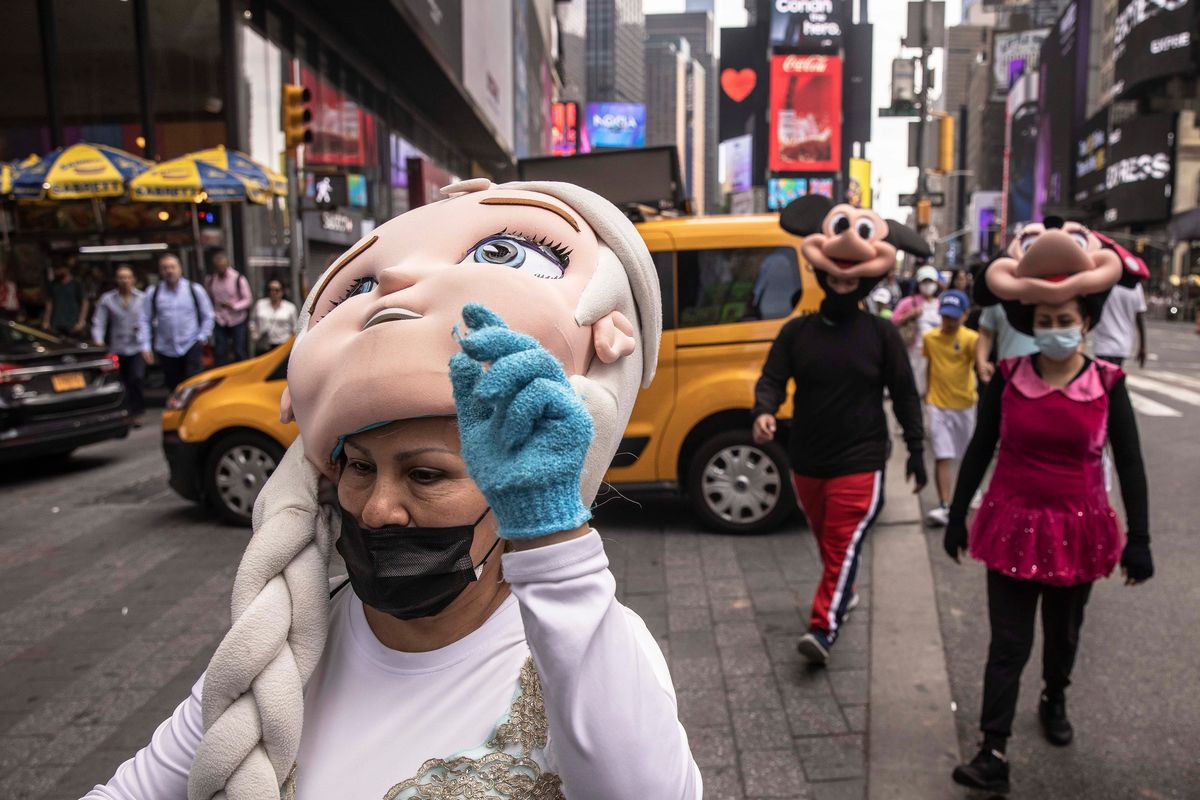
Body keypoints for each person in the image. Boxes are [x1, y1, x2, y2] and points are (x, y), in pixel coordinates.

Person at [86, 179, 701, 800]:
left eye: (426, 474)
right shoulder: (284, 647)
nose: (378, 509)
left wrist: (553, 534)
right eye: (357, 466)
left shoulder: (589, 651)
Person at [944, 219, 1152, 794]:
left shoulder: (1108, 383)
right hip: (1011, 522)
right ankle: (993, 750)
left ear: (1085, 323)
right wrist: (958, 513)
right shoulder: (1008, 377)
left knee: (1063, 635)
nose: (1056, 329)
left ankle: (1054, 695)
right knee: (1007, 642)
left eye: (1066, 321)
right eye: (1045, 322)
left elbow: (1129, 464)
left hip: (1079, 528)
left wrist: (1141, 539)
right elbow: (981, 447)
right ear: (1031, 326)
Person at [755, 196, 930, 665]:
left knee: (842, 542)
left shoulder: (882, 334)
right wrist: (764, 409)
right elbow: (772, 377)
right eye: (835, 273)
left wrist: (916, 451)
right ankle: (843, 592)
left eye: (853, 275)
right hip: (806, 461)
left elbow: (907, 395)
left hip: (862, 460)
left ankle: (822, 628)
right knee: (831, 544)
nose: (843, 278)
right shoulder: (797, 332)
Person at [921, 289, 978, 526]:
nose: (949, 321)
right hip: (938, 404)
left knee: (968, 456)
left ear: (965, 315)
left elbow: (980, 361)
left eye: (954, 316)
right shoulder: (930, 338)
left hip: (965, 404)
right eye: (945, 316)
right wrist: (925, 395)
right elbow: (927, 366)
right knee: (942, 455)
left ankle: (971, 492)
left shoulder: (971, 339)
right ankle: (945, 504)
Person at [139, 253, 214, 391]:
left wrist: (203, 336)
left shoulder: (194, 289)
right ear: (161, 271)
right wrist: (145, 345)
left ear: (180, 268)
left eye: (172, 267)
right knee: (174, 387)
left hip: (190, 344)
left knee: (193, 384)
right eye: (165, 268)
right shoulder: (153, 292)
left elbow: (208, 315)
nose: (169, 271)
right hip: (166, 348)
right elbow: (144, 319)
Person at [92, 265, 147, 426]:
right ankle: (127, 411)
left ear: (133, 280)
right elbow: (99, 321)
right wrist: (98, 340)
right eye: (121, 277)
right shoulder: (108, 299)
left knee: (136, 377)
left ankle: (138, 411)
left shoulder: (142, 298)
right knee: (122, 380)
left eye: (128, 277)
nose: (125, 281)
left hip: (137, 346)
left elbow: (151, 320)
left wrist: (143, 331)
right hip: (118, 346)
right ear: (117, 280)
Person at [891, 265, 944, 395]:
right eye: (924, 281)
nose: (928, 285)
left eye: (930, 281)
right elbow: (893, 321)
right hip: (915, 349)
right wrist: (910, 315)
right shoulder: (909, 302)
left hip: (937, 351)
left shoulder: (941, 303)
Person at [205, 250, 253, 366]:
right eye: (218, 267)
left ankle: (243, 375)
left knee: (239, 350)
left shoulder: (238, 278)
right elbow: (208, 299)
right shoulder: (211, 280)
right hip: (220, 319)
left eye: (222, 266)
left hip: (237, 319)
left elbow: (248, 299)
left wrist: (234, 306)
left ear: (227, 265)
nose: (220, 269)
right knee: (220, 350)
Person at [976, 302, 1038, 384]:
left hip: (1047, 375)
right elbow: (985, 332)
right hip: (1006, 375)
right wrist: (982, 362)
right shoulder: (997, 294)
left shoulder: (1052, 294)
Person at [1090, 281, 1147, 368]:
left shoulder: (1103, 279)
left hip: (1103, 344)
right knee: (1113, 378)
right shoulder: (1135, 284)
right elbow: (1139, 317)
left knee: (1103, 379)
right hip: (1123, 345)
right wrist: (1142, 346)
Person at [250, 279, 299, 353]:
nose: (273, 292)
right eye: (271, 290)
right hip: (263, 345)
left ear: (282, 292)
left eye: (277, 290)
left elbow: (295, 328)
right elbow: (252, 321)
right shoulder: (260, 304)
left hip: (283, 345)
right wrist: (253, 333)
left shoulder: (290, 307)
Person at [42, 263, 89, 337]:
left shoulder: (76, 283)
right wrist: (46, 321)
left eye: (59, 268)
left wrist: (81, 322)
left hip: (72, 322)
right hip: (56, 323)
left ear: (67, 268)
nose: (56, 271)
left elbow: (85, 302)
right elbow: (49, 303)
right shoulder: (53, 284)